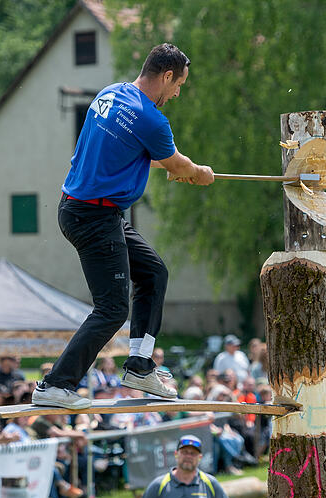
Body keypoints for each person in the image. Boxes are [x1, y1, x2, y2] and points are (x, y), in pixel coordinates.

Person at [33, 43, 214, 410]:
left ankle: (139, 366)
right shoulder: (152, 119)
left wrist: (178, 167)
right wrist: (198, 173)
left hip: (86, 209)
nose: (177, 92)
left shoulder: (111, 94)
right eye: (179, 84)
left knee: (153, 273)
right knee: (112, 308)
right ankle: (56, 384)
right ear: (166, 77)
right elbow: (178, 165)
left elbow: (133, 156)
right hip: (94, 216)